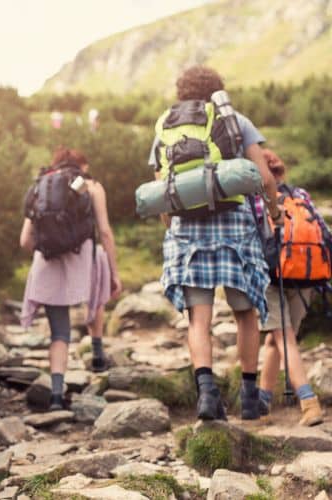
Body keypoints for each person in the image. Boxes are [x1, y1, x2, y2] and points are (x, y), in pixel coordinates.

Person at [148, 65, 281, 421]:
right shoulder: (233, 118)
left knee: (199, 319)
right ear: (216, 89)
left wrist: (171, 226)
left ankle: (207, 396)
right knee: (245, 312)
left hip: (187, 230)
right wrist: (274, 211)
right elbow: (264, 176)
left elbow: (162, 186)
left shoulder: (165, 124)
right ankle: (250, 398)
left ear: (182, 91)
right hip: (234, 228)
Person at [20, 147, 122, 411]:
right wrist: (114, 272)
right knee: (98, 274)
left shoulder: (41, 186)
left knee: (60, 333)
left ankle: (56, 396)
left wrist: (51, 247)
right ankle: (98, 354)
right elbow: (105, 233)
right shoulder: (91, 187)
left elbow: (24, 241)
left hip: (47, 262)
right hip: (81, 261)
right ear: (82, 166)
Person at [256, 148, 326, 426]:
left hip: (272, 274)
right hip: (305, 273)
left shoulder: (257, 199)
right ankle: (262, 404)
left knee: (284, 339)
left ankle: (309, 403)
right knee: (278, 340)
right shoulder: (302, 196)